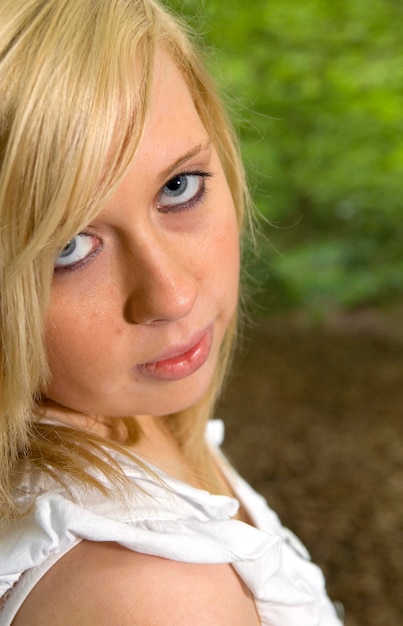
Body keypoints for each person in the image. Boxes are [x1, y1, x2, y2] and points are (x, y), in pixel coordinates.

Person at [0, 1, 343, 624]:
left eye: (178, 187)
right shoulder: (153, 594)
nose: (172, 295)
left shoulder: (127, 415)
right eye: (68, 247)